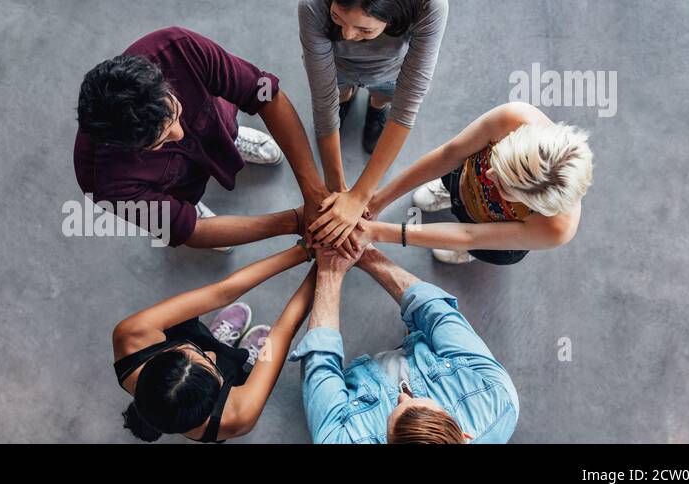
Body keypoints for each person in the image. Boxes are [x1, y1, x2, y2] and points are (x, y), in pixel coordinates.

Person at [76, 27, 334, 252]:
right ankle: (189, 205)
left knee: (223, 128)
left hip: (215, 123)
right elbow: (192, 232)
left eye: (175, 113)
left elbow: (265, 93)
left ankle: (230, 140)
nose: (180, 133)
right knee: (185, 214)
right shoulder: (104, 183)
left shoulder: (179, 48)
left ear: (161, 79)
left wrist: (314, 192)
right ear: (127, 148)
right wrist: (294, 221)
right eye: (161, 141)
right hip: (176, 187)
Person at [289, 243, 519, 443]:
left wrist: (329, 271)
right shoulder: (498, 401)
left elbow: (321, 362)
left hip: (361, 379)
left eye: (396, 411)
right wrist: (366, 253)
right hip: (422, 350)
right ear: (465, 436)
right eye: (419, 401)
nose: (403, 395)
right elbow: (439, 316)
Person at [322, 102, 594, 264]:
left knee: (477, 245)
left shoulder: (555, 229)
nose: (487, 176)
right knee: (456, 176)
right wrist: (376, 200)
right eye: (495, 161)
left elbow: (470, 235)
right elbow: (450, 154)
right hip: (460, 177)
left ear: (533, 205)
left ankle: (468, 254)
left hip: (485, 229)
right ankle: (449, 192)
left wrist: (377, 232)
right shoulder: (514, 118)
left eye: (503, 186)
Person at [112, 243, 318, 442]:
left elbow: (222, 292)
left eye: (189, 353)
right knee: (256, 359)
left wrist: (305, 249)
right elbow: (281, 332)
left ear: (156, 359)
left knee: (208, 343)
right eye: (211, 366)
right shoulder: (237, 416)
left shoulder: (132, 337)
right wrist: (325, 268)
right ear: (213, 403)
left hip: (187, 338)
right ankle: (244, 363)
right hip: (232, 382)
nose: (211, 354)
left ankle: (216, 340)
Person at [299, 0, 448, 245]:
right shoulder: (312, 5)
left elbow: (405, 107)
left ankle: (375, 107)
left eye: (364, 30)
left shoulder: (429, 7)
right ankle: (346, 101)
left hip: (390, 73)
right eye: (337, 17)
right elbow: (324, 101)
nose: (346, 35)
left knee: (382, 97)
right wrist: (337, 189)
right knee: (338, 96)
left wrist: (359, 196)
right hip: (337, 69)